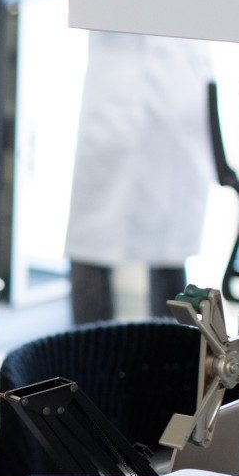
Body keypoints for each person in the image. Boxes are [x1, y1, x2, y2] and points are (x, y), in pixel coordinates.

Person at [65, 32, 218, 323]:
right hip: (119, 90)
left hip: (178, 93)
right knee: (91, 239)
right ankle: (82, 360)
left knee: (170, 247)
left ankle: (172, 360)